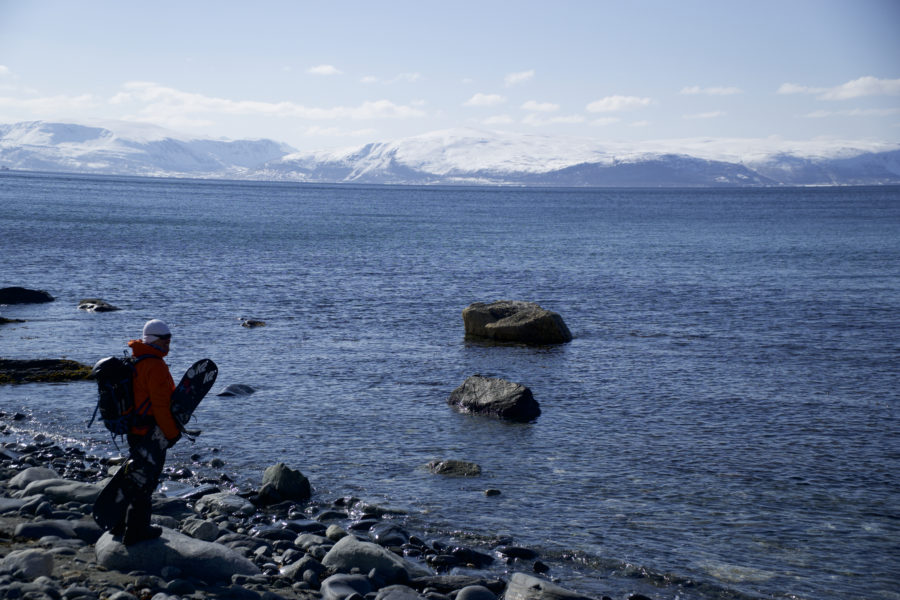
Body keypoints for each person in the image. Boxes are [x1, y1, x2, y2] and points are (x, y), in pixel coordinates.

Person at [115, 318, 182, 544]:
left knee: (135, 477)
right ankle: (136, 531)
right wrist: (172, 434)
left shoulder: (138, 359)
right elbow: (161, 406)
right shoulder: (154, 365)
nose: (168, 344)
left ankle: (120, 523)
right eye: (165, 339)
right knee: (146, 481)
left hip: (134, 429)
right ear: (154, 340)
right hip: (149, 433)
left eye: (170, 339)